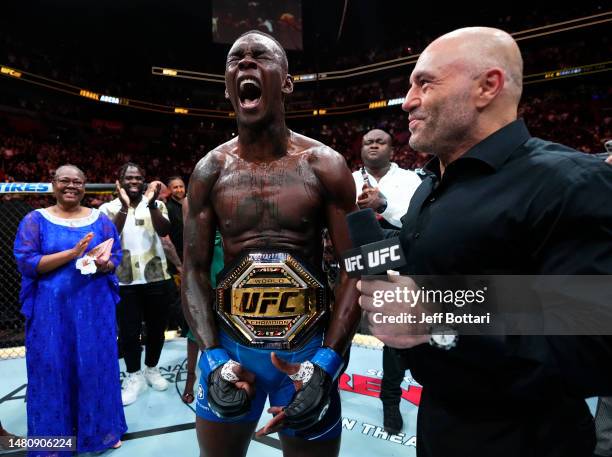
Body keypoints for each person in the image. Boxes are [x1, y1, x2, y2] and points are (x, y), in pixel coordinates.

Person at [357, 27, 612, 457]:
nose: (409, 100)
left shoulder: (571, 181)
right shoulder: (431, 187)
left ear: (487, 87)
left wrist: (438, 311)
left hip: (529, 440)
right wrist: (369, 252)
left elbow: (598, 337)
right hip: (439, 423)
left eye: (425, 82)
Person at [182, 30, 359, 457]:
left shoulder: (325, 166)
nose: (245, 63)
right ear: (228, 86)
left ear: (286, 81)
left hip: (306, 351)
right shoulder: (210, 170)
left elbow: (357, 269)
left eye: (259, 56)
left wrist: (327, 365)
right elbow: (193, 271)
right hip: (231, 349)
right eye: (234, 59)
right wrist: (210, 359)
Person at [13, 164, 126, 454]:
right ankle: (54, 442)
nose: (71, 186)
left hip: (94, 310)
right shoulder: (35, 220)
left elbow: (115, 257)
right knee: (52, 369)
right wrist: (72, 254)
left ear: (85, 186)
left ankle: (100, 431)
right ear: (53, 184)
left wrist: (104, 264)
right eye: (64, 181)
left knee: (96, 367)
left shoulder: (100, 220)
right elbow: (27, 263)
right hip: (52, 313)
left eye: (78, 181)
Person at [353, 128, 421, 434]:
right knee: (343, 323)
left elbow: (417, 222)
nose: (374, 146)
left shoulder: (411, 179)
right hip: (355, 255)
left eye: (380, 141)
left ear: (392, 150)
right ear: (361, 148)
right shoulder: (347, 179)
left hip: (399, 255)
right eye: (368, 142)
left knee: (397, 330)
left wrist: (383, 205)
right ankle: (322, 384)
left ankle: (390, 401)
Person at [100, 163, 173, 406]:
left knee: (156, 329)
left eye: (138, 177)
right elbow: (109, 237)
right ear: (119, 181)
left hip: (156, 276)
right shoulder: (107, 208)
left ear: (144, 181)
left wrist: (152, 203)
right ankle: (133, 376)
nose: (134, 181)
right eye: (129, 177)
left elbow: (164, 230)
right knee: (129, 332)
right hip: (124, 278)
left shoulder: (157, 204)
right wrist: (122, 207)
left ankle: (151, 368)